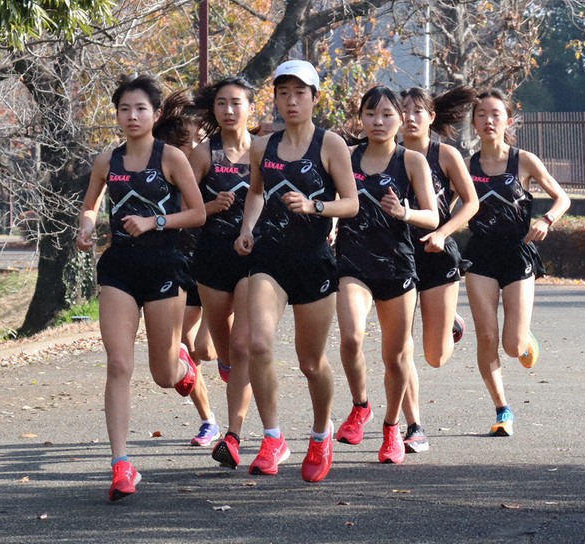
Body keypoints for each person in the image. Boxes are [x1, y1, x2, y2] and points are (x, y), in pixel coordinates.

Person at [76, 74, 206, 501]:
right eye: (124, 109)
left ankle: (183, 366)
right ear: (116, 114)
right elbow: (91, 205)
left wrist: (155, 221)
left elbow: (198, 213)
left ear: (154, 114)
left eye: (140, 109)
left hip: (165, 265)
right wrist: (86, 227)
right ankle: (121, 464)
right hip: (120, 268)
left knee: (164, 374)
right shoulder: (106, 160)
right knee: (118, 364)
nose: (132, 116)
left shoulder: (171, 158)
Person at [234, 59, 358, 482]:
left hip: (313, 260)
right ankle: (272, 437)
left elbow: (352, 203)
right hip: (269, 258)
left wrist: (314, 206)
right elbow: (255, 193)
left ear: (314, 98)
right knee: (258, 344)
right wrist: (247, 228)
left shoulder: (330, 144)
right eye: (283, 93)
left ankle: (321, 434)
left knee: (311, 362)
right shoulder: (261, 146)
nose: (290, 101)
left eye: (299, 93)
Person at [334, 85, 439, 465]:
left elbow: (433, 216)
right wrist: (328, 219)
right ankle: (361, 405)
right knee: (350, 336)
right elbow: (334, 200)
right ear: (360, 118)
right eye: (370, 114)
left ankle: (392, 428)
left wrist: (404, 213)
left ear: (399, 120)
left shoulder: (412, 161)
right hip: (353, 262)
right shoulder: (345, 157)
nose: (378, 122)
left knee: (395, 358)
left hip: (396, 265)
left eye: (387, 115)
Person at [465, 89, 570, 437]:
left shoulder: (523, 160)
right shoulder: (467, 165)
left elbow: (561, 198)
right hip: (480, 256)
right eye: (481, 114)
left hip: (517, 254)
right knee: (486, 337)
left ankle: (525, 339)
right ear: (474, 122)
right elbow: (448, 205)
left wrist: (546, 220)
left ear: (508, 121)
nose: (488, 120)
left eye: (495, 114)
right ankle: (502, 409)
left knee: (513, 345)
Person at [398, 86, 479, 453]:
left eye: (418, 111)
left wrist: (443, 232)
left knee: (435, 355)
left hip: (436, 253)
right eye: (403, 110)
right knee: (399, 346)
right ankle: (413, 426)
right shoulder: (382, 155)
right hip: (394, 256)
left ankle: (451, 324)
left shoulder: (444, 155)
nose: (410, 117)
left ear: (431, 117)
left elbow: (471, 202)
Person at [186, 76, 256, 469]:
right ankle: (230, 370)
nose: (229, 110)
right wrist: (212, 206)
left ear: (250, 108)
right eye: (222, 104)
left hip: (254, 258)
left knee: (245, 346)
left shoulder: (264, 151)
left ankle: (234, 435)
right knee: (219, 351)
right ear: (214, 111)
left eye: (236, 103)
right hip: (211, 258)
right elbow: (184, 203)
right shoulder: (202, 153)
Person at [152, 89, 221, 448]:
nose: (195, 145)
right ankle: (209, 421)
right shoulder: (164, 170)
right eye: (188, 140)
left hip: (220, 264)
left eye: (200, 138)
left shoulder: (218, 164)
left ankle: (227, 352)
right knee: (184, 347)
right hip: (181, 265)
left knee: (208, 350)